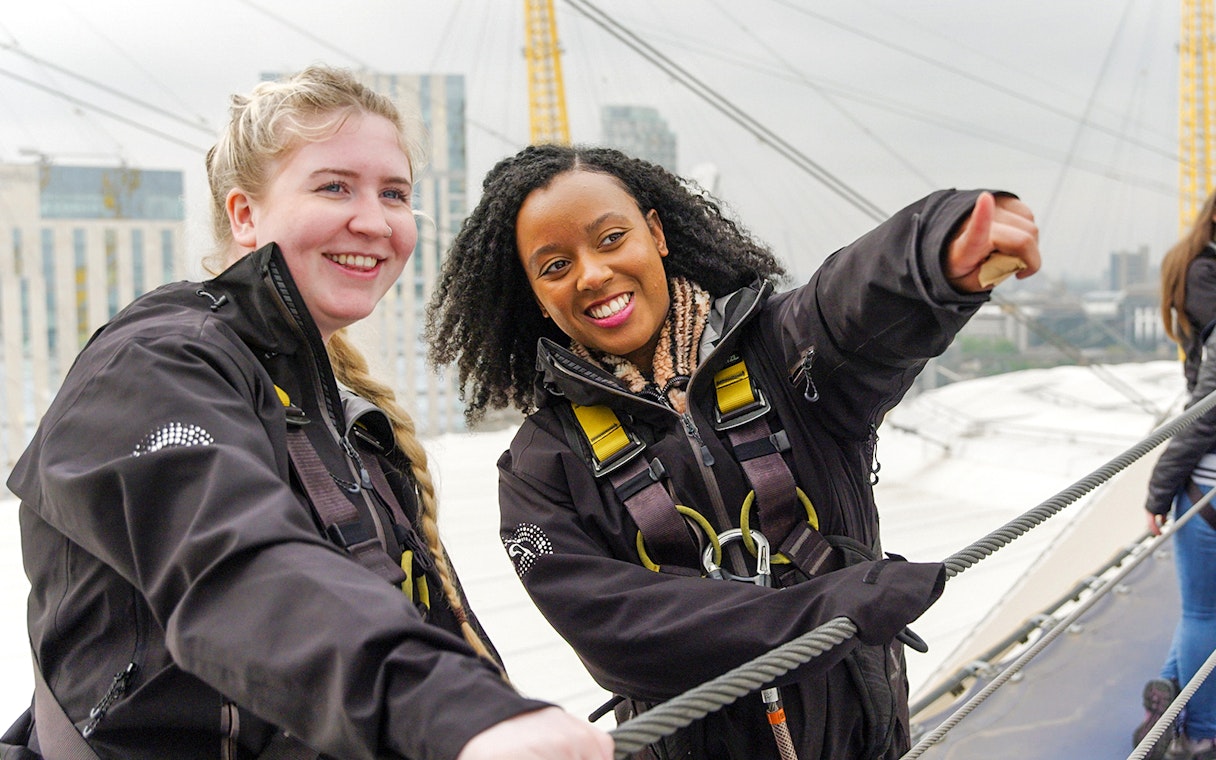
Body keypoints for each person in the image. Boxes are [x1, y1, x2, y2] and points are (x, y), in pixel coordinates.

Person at [3, 67, 613, 760]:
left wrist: (491, 716)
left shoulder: (344, 422)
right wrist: (457, 712)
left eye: (395, 194)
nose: (374, 220)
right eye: (334, 187)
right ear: (244, 214)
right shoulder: (154, 367)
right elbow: (239, 571)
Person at [426, 144, 1041, 760]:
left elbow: (851, 304)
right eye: (555, 266)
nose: (591, 274)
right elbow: (617, 628)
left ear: (657, 234)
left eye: (611, 238)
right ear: (537, 297)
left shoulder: (782, 354)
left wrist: (937, 249)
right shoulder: (541, 470)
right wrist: (828, 608)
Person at [1136, 188, 1216, 760]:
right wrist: (1161, 487)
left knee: (1202, 610)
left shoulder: (1190, 266)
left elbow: (1203, 411)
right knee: (1205, 611)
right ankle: (1200, 732)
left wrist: (1161, 492)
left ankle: (1187, 713)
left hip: (1206, 483)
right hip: (1206, 471)